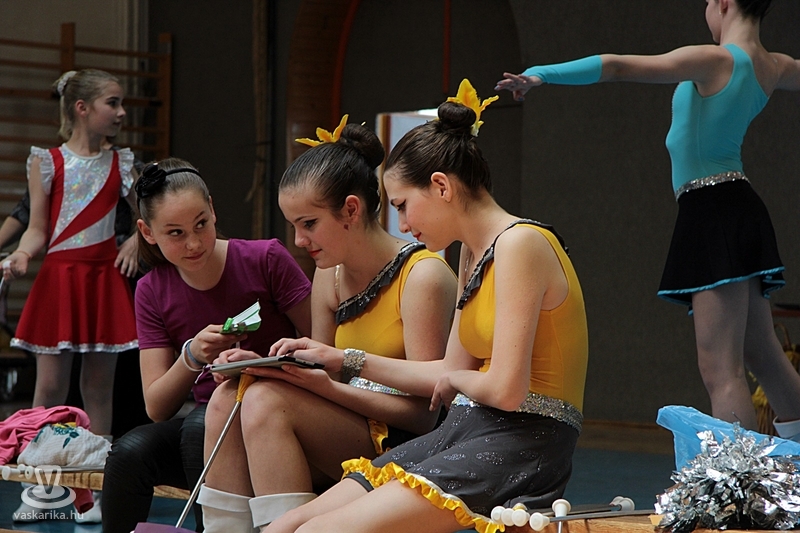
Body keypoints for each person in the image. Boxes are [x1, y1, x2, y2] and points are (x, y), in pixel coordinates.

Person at [262, 81, 589, 533]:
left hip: (524, 440)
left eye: (402, 205)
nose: (402, 223)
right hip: (466, 429)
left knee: (320, 531)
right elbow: (445, 372)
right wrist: (339, 358)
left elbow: (505, 391)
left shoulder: (521, 243)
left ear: (440, 186)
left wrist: (456, 379)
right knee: (286, 525)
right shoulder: (473, 252)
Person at [495, 0, 800, 440]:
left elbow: (618, 66)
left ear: (724, 3)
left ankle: (738, 479)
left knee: (721, 369)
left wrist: (542, 73)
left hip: (712, 209)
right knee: (763, 354)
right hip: (737, 207)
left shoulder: (715, 59)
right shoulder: (773, 66)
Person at [198, 116, 457, 531]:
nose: (299, 241)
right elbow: (321, 374)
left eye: (309, 224)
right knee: (229, 396)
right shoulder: (329, 275)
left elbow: (425, 417)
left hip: (408, 442)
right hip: (347, 422)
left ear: (351, 209)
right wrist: (261, 366)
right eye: (294, 226)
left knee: (265, 403)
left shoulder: (423, 275)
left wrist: (324, 384)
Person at [100, 157, 313, 533]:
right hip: (209, 418)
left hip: (278, 410)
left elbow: (323, 347)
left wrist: (260, 364)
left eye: (201, 224)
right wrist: (192, 356)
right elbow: (157, 406)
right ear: (148, 232)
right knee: (129, 452)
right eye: (175, 233)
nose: (194, 243)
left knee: (199, 427)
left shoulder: (265, 259)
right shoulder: (152, 289)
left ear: (212, 209)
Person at [4, 69, 139, 522]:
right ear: (82, 108)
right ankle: (38, 490)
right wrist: (22, 254)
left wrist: (134, 241)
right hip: (60, 281)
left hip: (103, 281)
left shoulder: (123, 164)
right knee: (48, 389)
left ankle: (96, 495)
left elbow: (146, 215)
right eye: (113, 103)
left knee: (98, 390)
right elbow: (37, 228)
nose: (121, 112)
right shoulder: (47, 161)